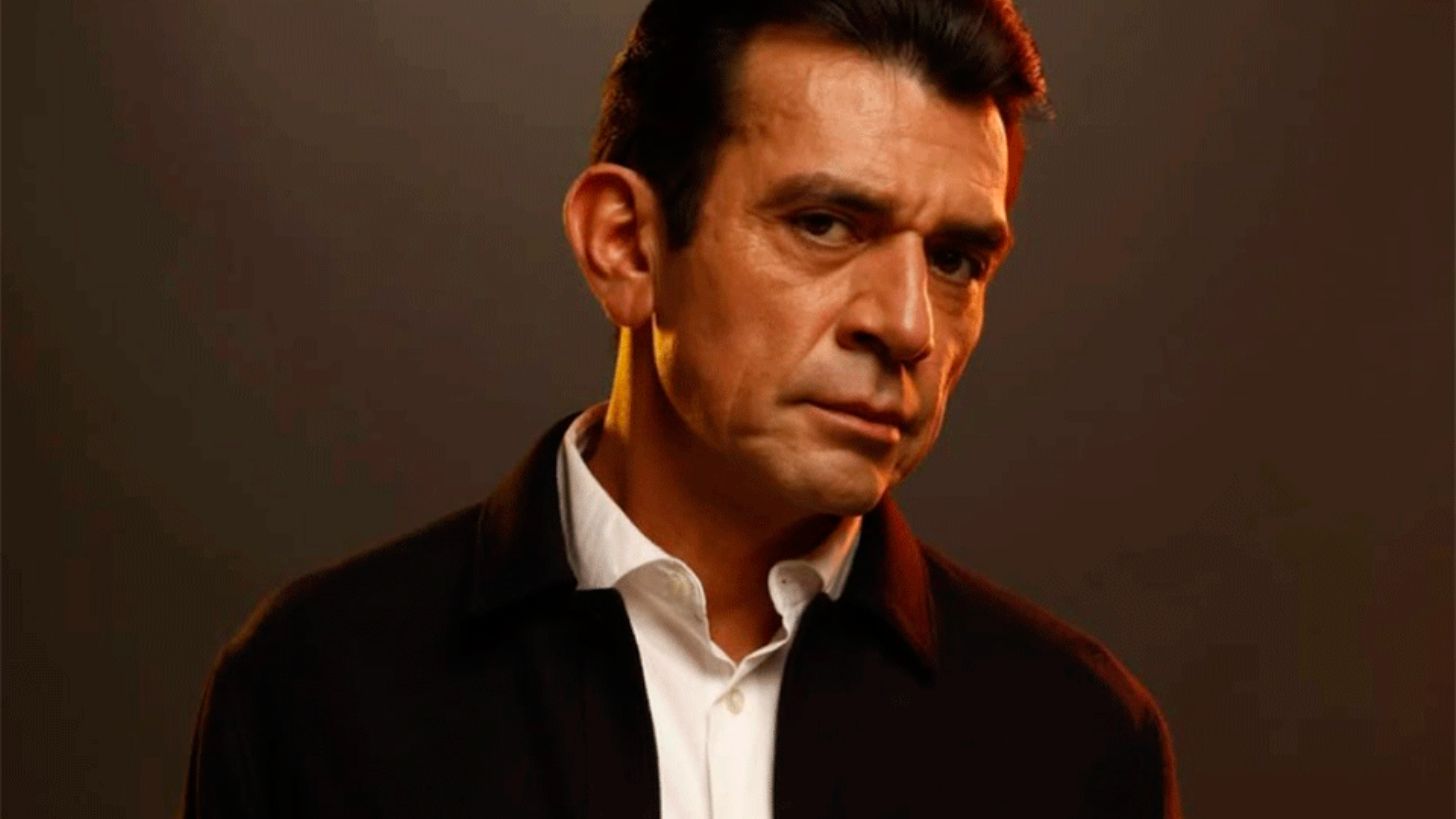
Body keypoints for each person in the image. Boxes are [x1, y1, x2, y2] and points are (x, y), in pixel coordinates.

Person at [181, 1, 1182, 817]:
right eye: (825, 224)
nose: (908, 324)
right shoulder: (320, 688)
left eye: (955, 259)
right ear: (625, 245)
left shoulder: (1080, 741)